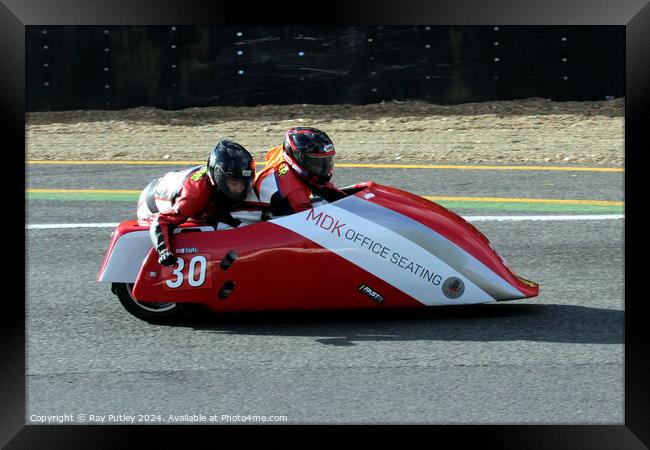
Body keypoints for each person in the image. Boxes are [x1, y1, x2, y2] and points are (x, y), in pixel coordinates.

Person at [136, 139, 255, 266]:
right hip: (151, 206)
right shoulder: (195, 196)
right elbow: (162, 221)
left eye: (243, 183)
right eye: (234, 183)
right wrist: (164, 251)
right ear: (219, 177)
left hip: (177, 187)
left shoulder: (217, 183)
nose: (240, 189)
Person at [253, 127, 346, 218]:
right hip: (263, 218)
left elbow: (323, 187)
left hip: (271, 201)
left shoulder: (286, 153)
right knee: (321, 204)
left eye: (328, 161)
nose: (324, 168)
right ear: (300, 157)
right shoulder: (294, 190)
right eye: (318, 163)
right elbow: (307, 222)